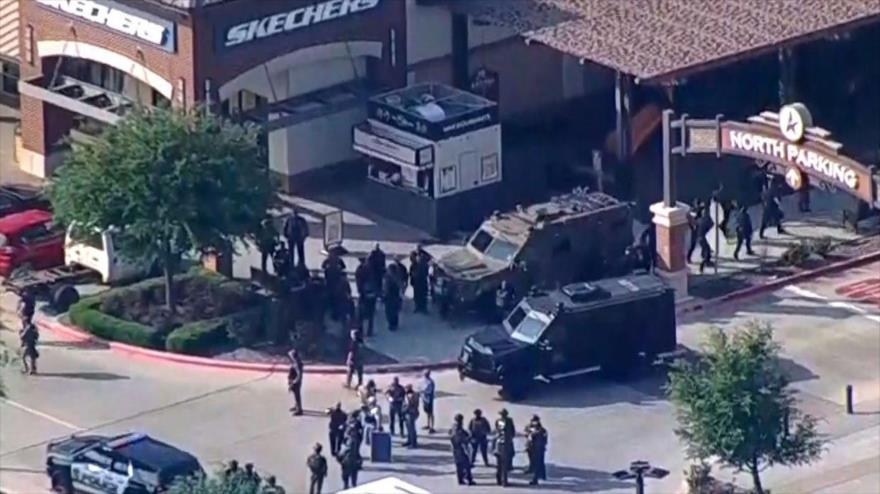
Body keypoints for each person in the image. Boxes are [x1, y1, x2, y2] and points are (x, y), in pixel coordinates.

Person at [450, 413, 476, 486]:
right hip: (460, 449)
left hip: (455, 449)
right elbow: (461, 439)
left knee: (459, 465)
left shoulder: (454, 427)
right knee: (466, 464)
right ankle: (469, 479)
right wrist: (469, 438)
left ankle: (460, 479)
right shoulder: (458, 428)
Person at [355, 257, 377, 336]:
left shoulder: (360, 269)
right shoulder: (369, 269)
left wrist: (360, 290)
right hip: (369, 297)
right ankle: (368, 331)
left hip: (364, 296)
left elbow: (358, 280)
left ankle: (362, 331)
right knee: (369, 316)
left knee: (361, 315)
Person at [525, 415, 548, 485]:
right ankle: (534, 471)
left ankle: (536, 479)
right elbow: (526, 434)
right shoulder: (529, 427)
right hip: (531, 448)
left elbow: (545, 439)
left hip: (539, 449)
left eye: (535, 421)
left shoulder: (542, 430)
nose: (534, 422)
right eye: (533, 421)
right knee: (533, 461)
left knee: (539, 463)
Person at [492, 419, 512, 487]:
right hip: (503, 452)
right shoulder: (506, 435)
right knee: (503, 468)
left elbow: (493, 442)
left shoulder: (497, 435)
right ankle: (503, 482)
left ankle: (500, 481)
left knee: (500, 467)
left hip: (500, 451)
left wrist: (493, 450)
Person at [410, 247, 430, 314]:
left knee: (423, 294)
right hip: (417, 280)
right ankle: (418, 307)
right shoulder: (414, 263)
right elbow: (411, 271)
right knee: (417, 294)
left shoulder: (424, 260)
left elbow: (429, 259)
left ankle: (423, 308)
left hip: (422, 280)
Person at [697, 209, 715, 274]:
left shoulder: (699, 220)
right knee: (707, 251)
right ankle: (703, 264)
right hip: (705, 238)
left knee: (705, 249)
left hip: (700, 238)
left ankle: (707, 261)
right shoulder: (707, 221)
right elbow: (711, 227)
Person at [287, 350, 304, 416]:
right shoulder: (295, 362)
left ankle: (299, 410)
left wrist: (294, 382)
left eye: (290, 356)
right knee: (295, 395)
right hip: (294, 381)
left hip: (296, 382)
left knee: (297, 396)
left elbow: (299, 375)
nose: (290, 357)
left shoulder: (297, 364)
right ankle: (296, 406)